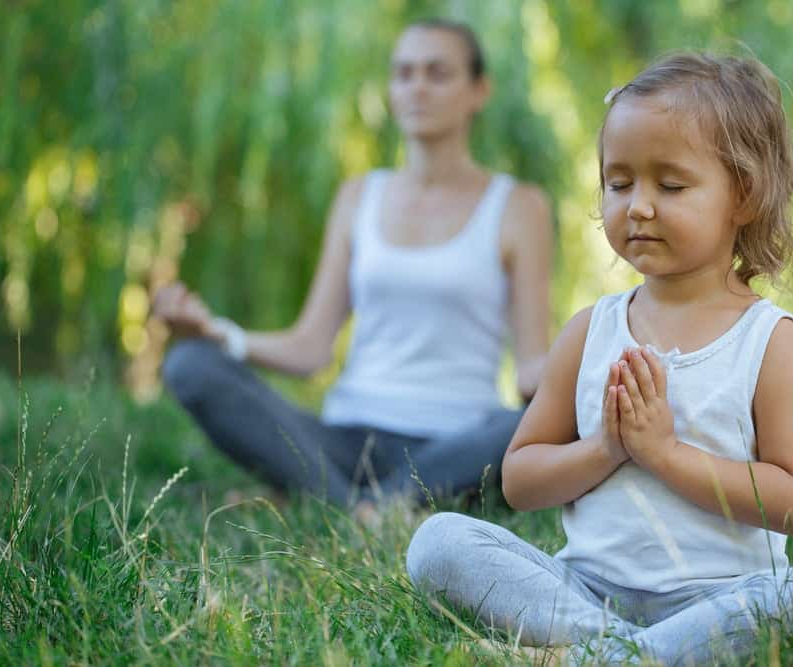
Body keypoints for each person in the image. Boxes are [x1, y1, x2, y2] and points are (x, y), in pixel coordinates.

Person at [406, 52, 793, 663]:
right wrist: (606, 449)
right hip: (584, 593)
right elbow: (521, 480)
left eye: (670, 185)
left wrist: (664, 454)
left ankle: (587, 656)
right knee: (437, 543)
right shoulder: (592, 330)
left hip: (717, 599)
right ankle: (625, 652)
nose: (638, 205)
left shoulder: (765, 338)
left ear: (743, 195)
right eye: (619, 183)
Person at [151, 19, 553, 510]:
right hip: (345, 442)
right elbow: (310, 347)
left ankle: (328, 501)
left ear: (479, 91)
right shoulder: (359, 196)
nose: (416, 87)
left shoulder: (518, 206)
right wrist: (217, 334)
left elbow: (532, 365)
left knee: (519, 428)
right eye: (403, 74)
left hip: (456, 444)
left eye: (437, 73)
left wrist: (581, 378)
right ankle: (371, 509)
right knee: (191, 364)